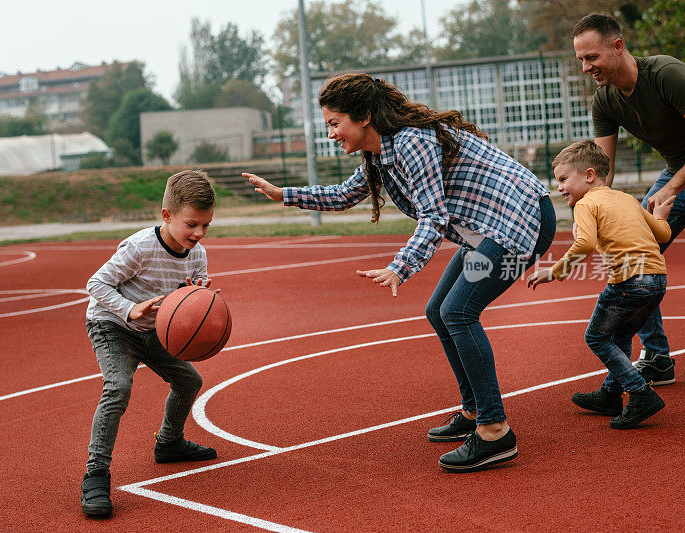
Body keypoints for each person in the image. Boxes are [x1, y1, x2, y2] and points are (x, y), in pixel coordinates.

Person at [245, 73, 556, 473]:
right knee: (438, 310)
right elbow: (343, 195)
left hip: (521, 222)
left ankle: (495, 432)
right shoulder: (380, 155)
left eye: (334, 124)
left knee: (459, 311)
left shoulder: (412, 142)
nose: (331, 134)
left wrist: (400, 266)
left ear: (365, 117)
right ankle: (475, 409)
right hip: (486, 230)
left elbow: (433, 215)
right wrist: (282, 195)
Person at [80, 170, 218, 517]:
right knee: (118, 387)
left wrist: (199, 297)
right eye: (192, 224)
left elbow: (190, 296)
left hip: (154, 329)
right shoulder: (140, 246)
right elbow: (96, 284)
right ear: (167, 216)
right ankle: (96, 473)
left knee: (189, 380)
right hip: (112, 324)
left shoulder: (197, 253)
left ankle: (169, 443)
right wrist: (130, 309)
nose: (199, 233)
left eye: (206, 226)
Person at [572, 13, 685, 385]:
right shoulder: (605, 101)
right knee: (635, 250)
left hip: (677, 177)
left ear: (618, 46)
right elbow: (602, 172)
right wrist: (590, 209)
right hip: (678, 171)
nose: (587, 67)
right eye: (581, 61)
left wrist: (670, 188)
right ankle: (656, 357)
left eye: (592, 58)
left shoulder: (666, 74)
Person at [528, 140, 673, 428]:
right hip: (657, 280)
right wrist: (659, 216)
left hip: (628, 282)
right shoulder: (628, 198)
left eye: (564, 179)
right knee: (619, 338)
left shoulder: (586, 203)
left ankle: (640, 392)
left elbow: (585, 243)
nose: (559, 187)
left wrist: (555, 271)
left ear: (590, 175)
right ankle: (610, 394)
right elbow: (663, 234)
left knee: (596, 337)